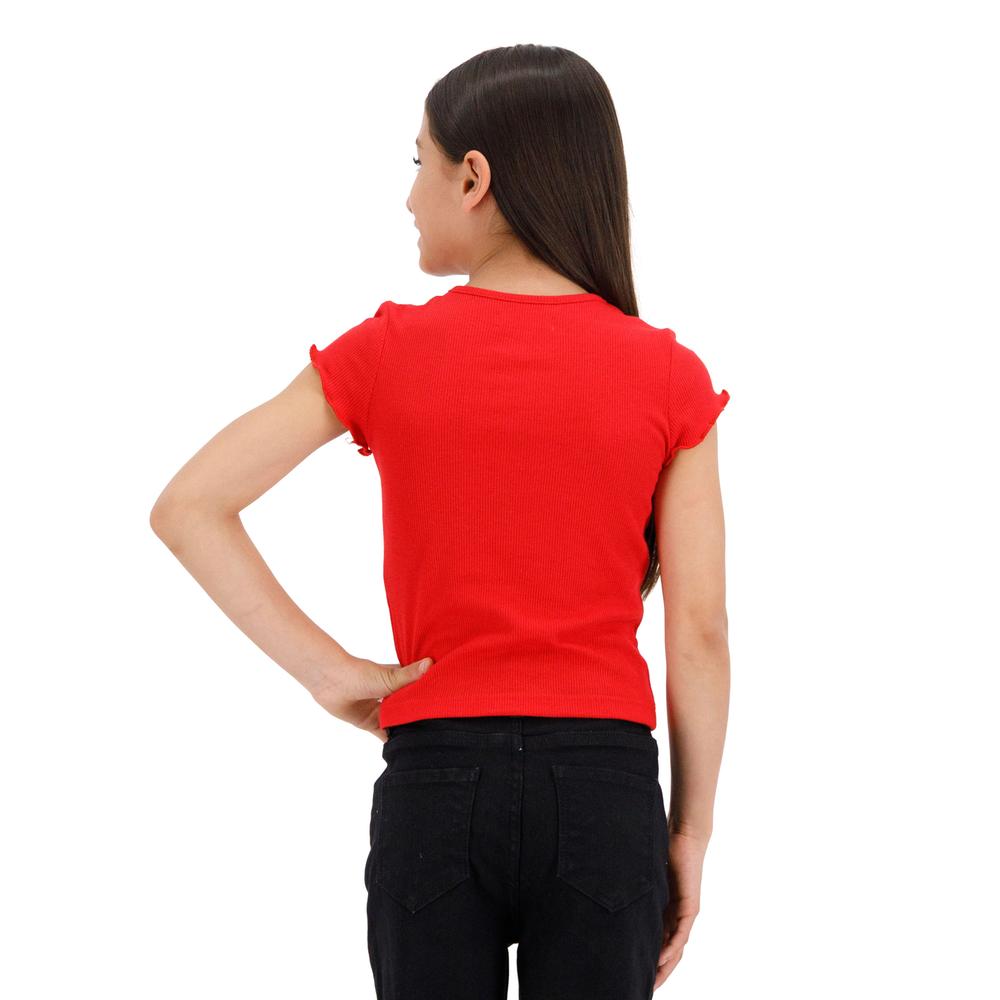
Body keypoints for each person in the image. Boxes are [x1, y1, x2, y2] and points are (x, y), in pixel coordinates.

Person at [150, 43, 731, 1000]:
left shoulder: (386, 352)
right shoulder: (668, 374)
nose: (408, 194)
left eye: (418, 161)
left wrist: (330, 674)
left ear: (473, 178)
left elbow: (190, 507)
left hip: (437, 780)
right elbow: (698, 629)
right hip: (606, 789)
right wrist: (690, 832)